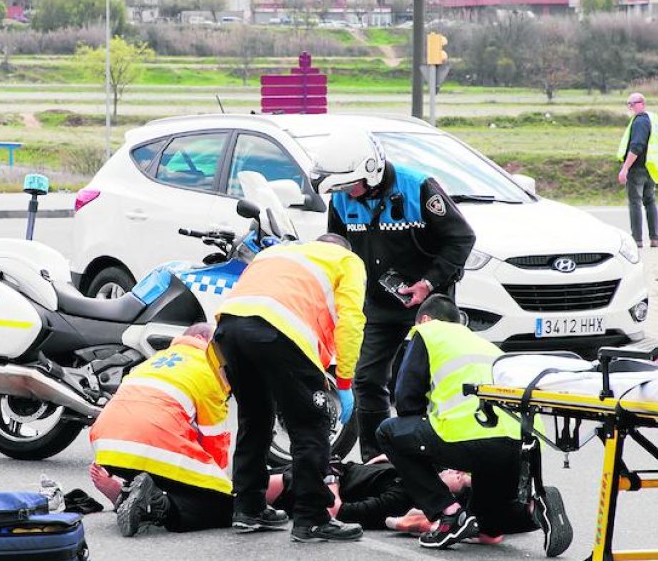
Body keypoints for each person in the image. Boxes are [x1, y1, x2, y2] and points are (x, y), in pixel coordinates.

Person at [311, 130, 476, 461]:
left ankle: (439, 459)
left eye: (350, 186)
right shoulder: (343, 196)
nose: (346, 195)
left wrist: (428, 283)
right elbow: (335, 248)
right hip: (376, 305)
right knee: (367, 381)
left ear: (371, 170)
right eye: (340, 188)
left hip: (428, 305)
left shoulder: (419, 187)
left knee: (424, 386)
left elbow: (461, 238)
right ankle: (377, 462)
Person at [376, 294, 572, 554]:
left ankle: (448, 514)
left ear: (424, 319)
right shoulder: (487, 346)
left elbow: (406, 402)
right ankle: (535, 509)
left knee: (389, 432)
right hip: (517, 444)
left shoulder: (428, 332)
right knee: (489, 524)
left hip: (468, 437)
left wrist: (429, 461)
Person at [214, 233, 366, 543]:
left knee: (255, 418)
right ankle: (311, 517)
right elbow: (351, 320)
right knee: (311, 423)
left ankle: (249, 507)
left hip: (229, 328)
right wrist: (346, 380)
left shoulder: (277, 252)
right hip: (279, 331)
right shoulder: (347, 260)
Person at [88, 323, 234, 538]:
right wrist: (216, 483)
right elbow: (215, 440)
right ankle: (158, 505)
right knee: (228, 505)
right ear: (206, 340)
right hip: (151, 444)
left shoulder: (152, 361)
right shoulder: (208, 368)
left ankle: (128, 494)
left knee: (166, 464)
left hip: (106, 447)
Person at [266, 459, 469, 532]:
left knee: (246, 495)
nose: (455, 471)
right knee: (249, 477)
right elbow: (386, 455)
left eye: (459, 477)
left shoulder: (400, 499)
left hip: (309, 486)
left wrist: (331, 480)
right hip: (322, 468)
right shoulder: (422, 472)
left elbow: (337, 513)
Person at [617, 91, 658, 248]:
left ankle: (636, 240)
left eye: (633, 103)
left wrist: (625, 168)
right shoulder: (652, 119)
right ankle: (655, 239)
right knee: (650, 202)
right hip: (650, 167)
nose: (630, 107)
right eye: (628, 104)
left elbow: (636, 146)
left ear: (642, 104)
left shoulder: (639, 122)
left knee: (635, 203)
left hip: (637, 169)